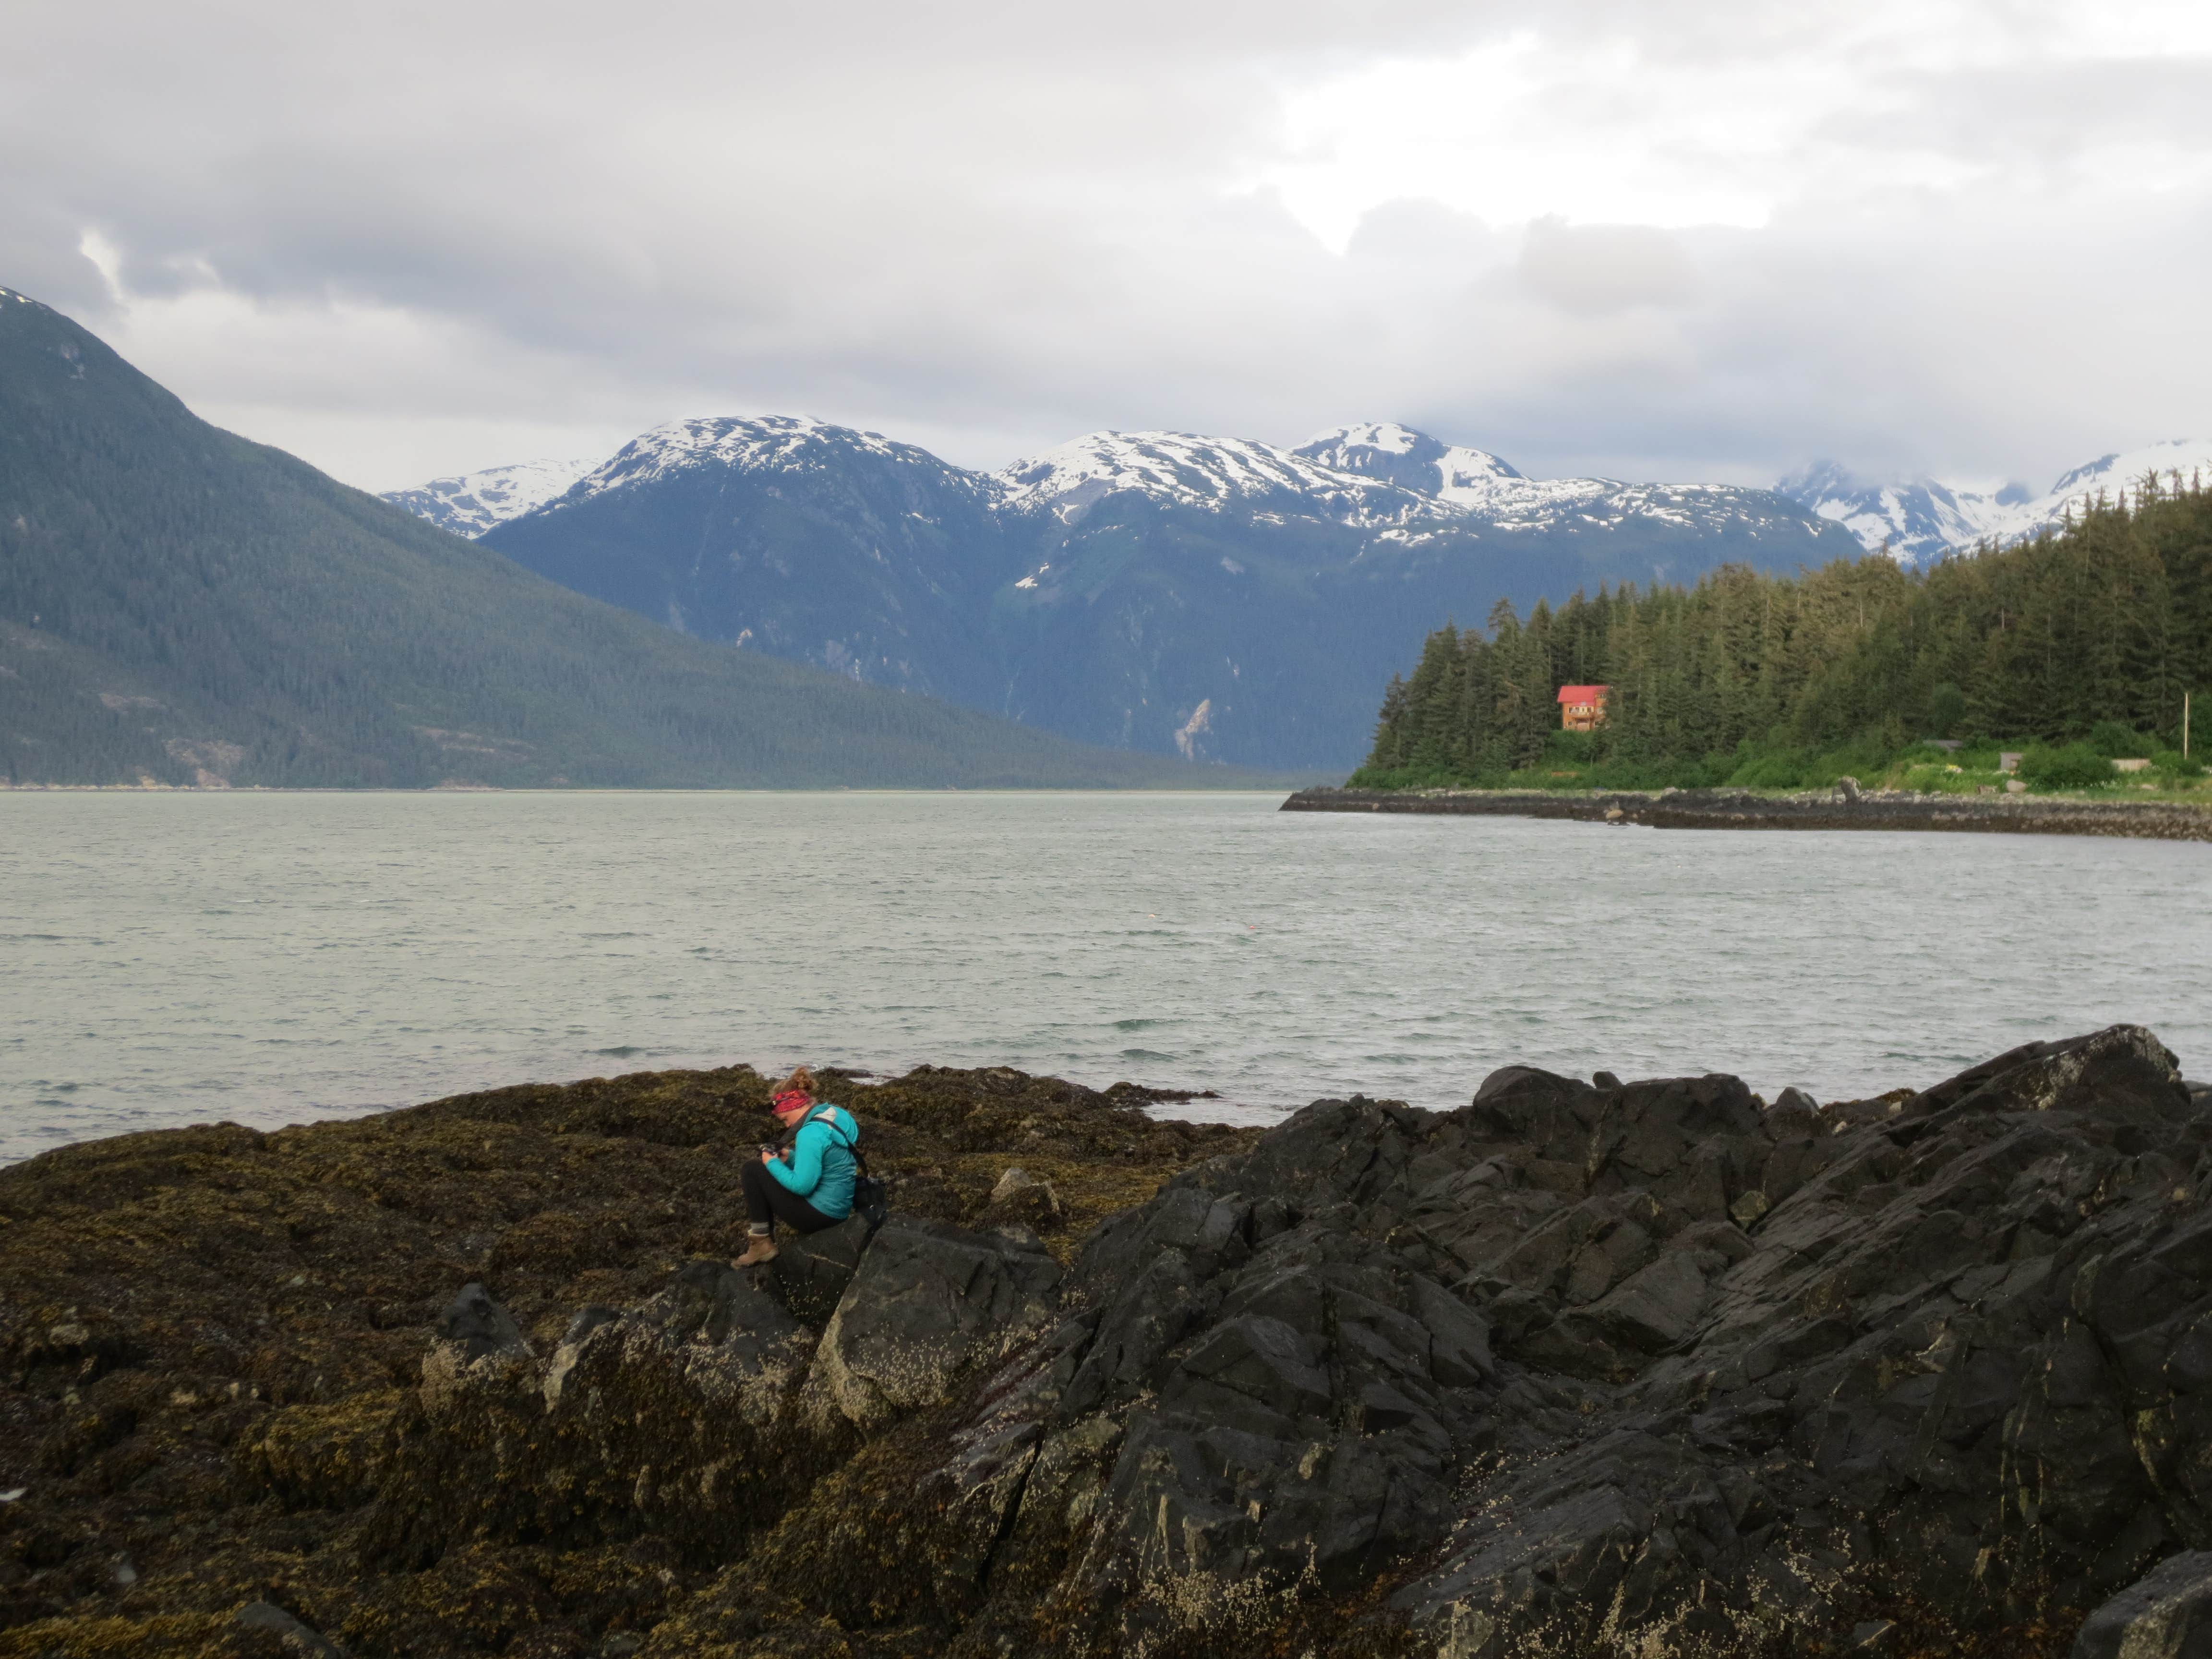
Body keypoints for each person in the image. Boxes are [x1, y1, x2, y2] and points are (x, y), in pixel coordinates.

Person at [735, 1066, 861, 1267]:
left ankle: (761, 1245)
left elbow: (803, 1187)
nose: (786, 1126)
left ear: (792, 1106)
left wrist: (772, 1163)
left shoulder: (809, 1134)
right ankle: (762, 1245)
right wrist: (791, 1158)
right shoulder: (836, 1114)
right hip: (841, 1208)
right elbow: (831, 1159)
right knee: (762, 1168)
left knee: (752, 1170)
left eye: (785, 1119)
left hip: (820, 1216)